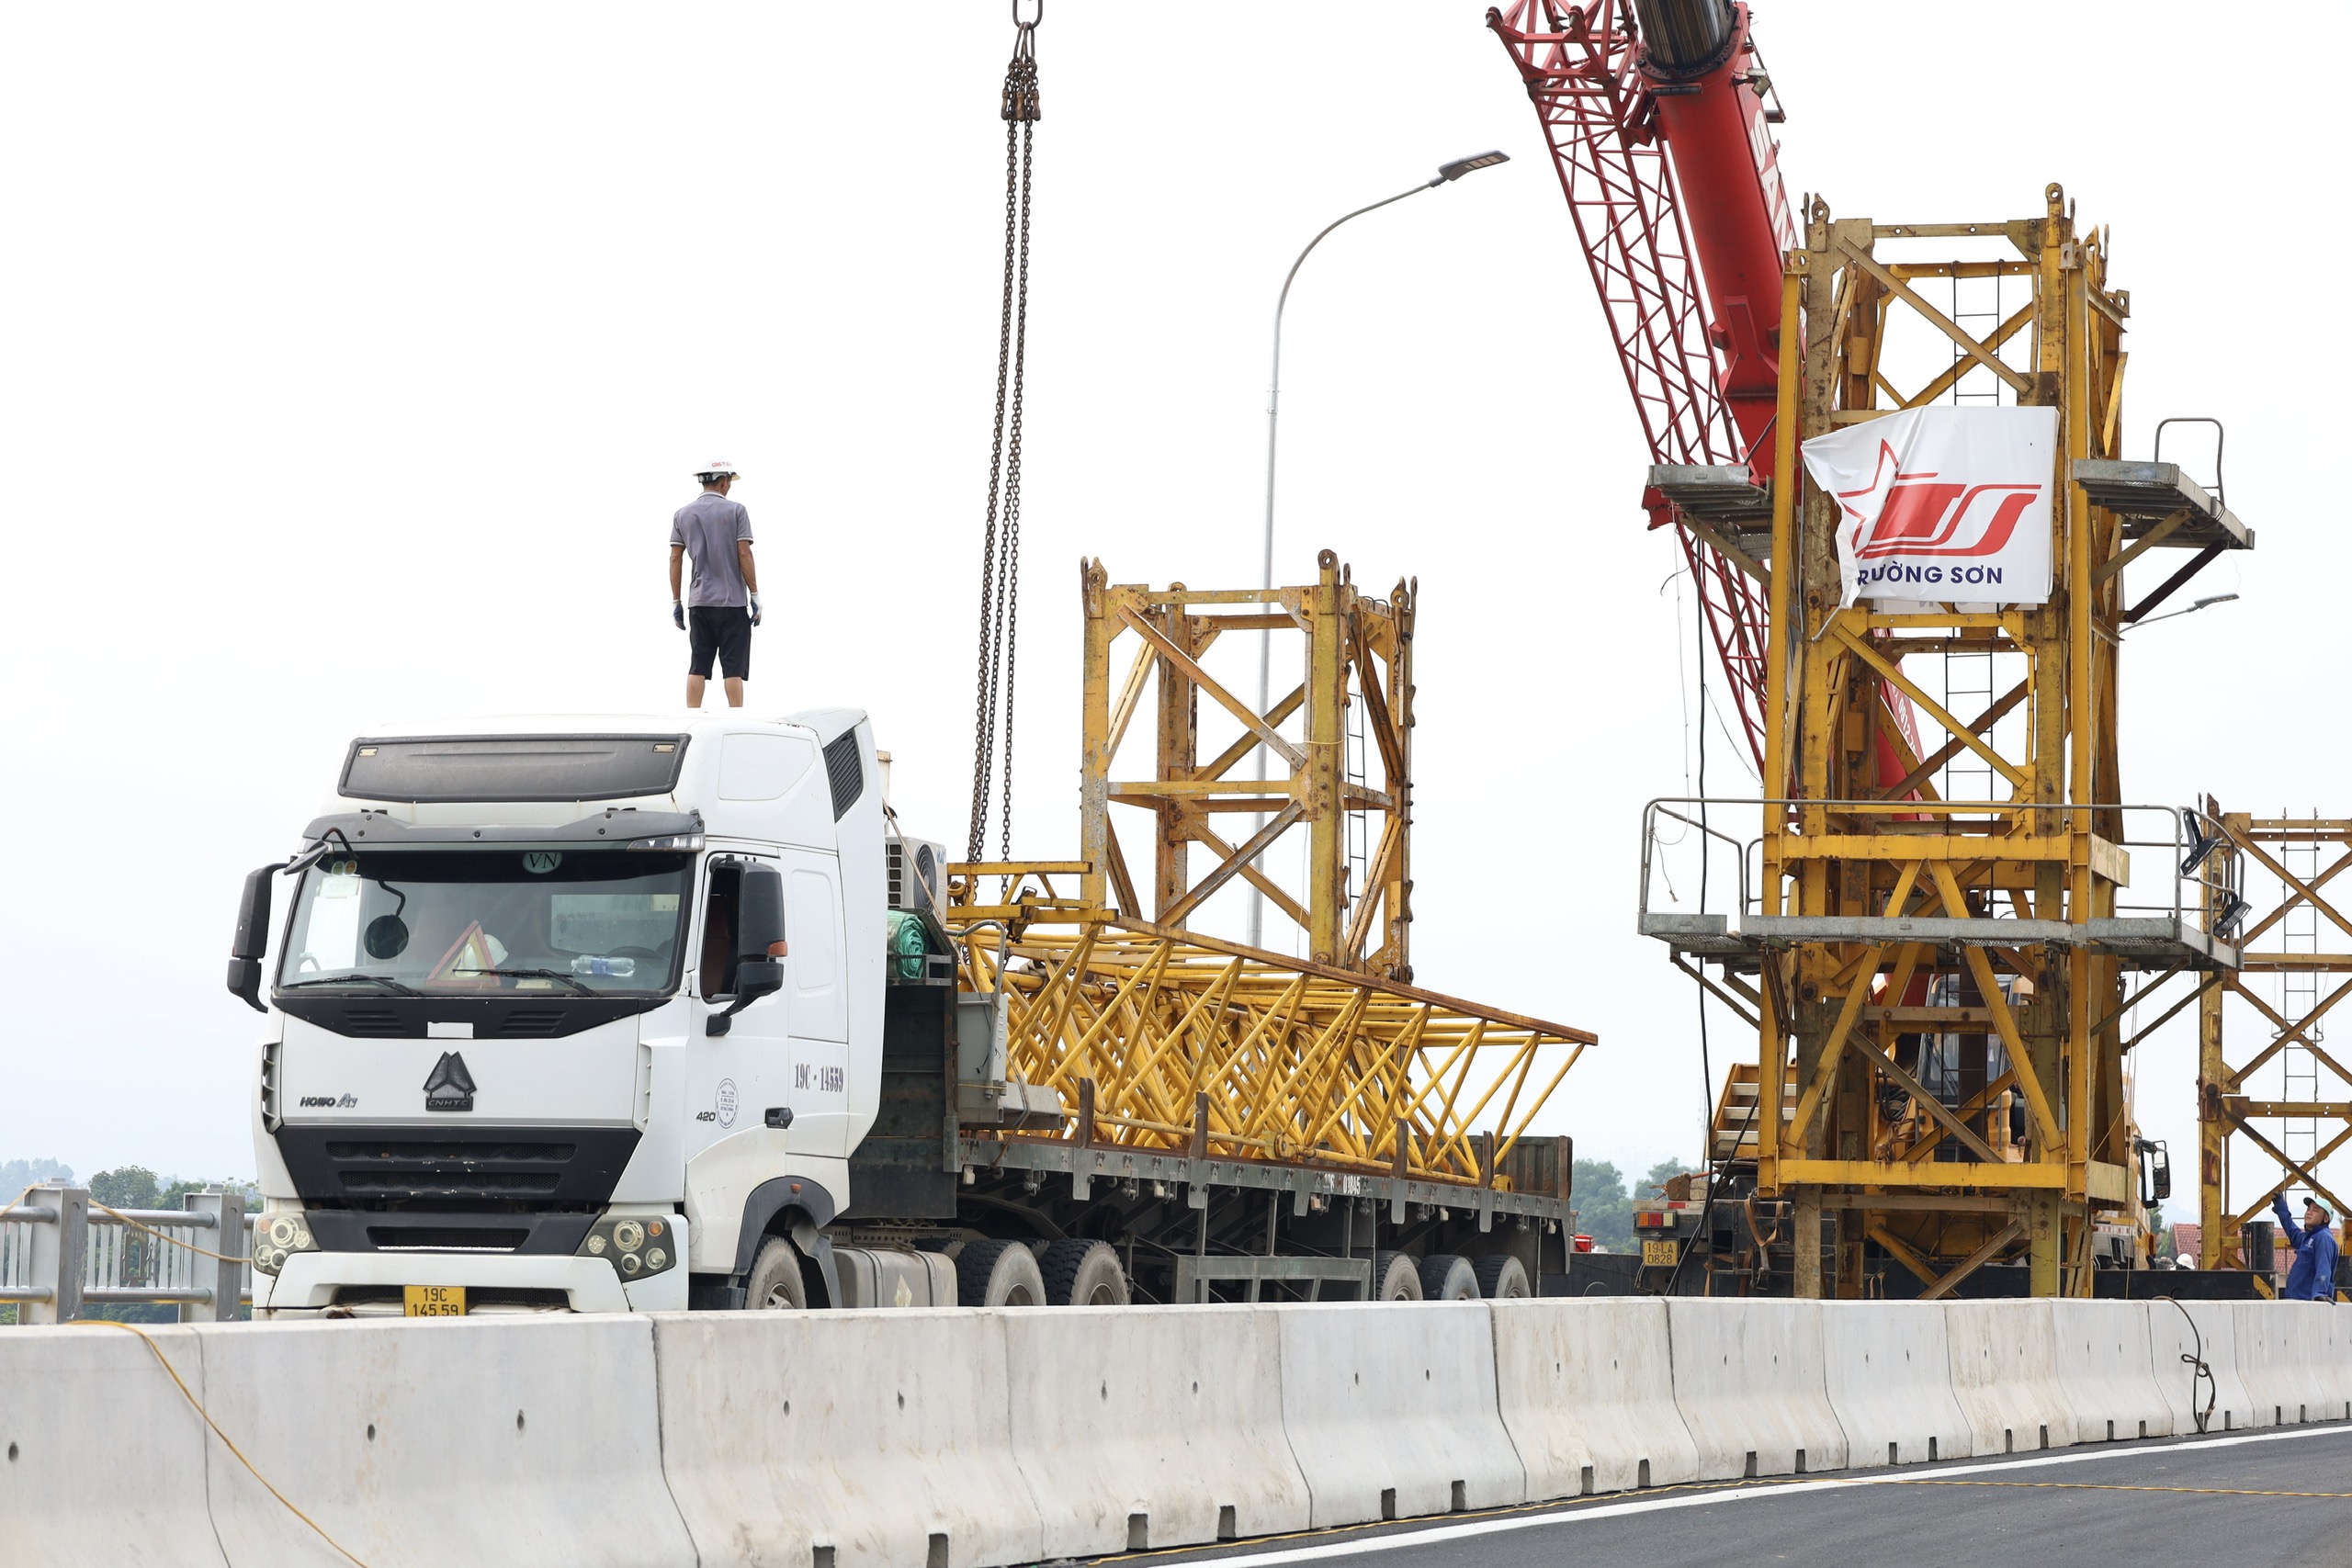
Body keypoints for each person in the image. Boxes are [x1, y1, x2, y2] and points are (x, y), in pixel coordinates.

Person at [670, 459, 762, 708]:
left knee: (698, 664)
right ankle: (736, 719)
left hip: (699, 602)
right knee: (732, 669)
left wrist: (677, 601)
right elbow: (744, 553)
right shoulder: (736, 511)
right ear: (724, 481)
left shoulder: (682, 514)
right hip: (732, 602)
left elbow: (675, 557)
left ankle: (691, 717)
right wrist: (754, 594)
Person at [2270, 1191, 2340, 1302]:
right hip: (2296, 1301)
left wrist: (2319, 1294)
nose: (2309, 1212)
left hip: (2308, 1303)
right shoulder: (2308, 1238)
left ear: (2326, 1218)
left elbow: (2324, 1266)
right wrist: (2280, 1206)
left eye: (2315, 1210)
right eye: (2308, 1209)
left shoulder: (2323, 1238)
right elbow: (2291, 1230)